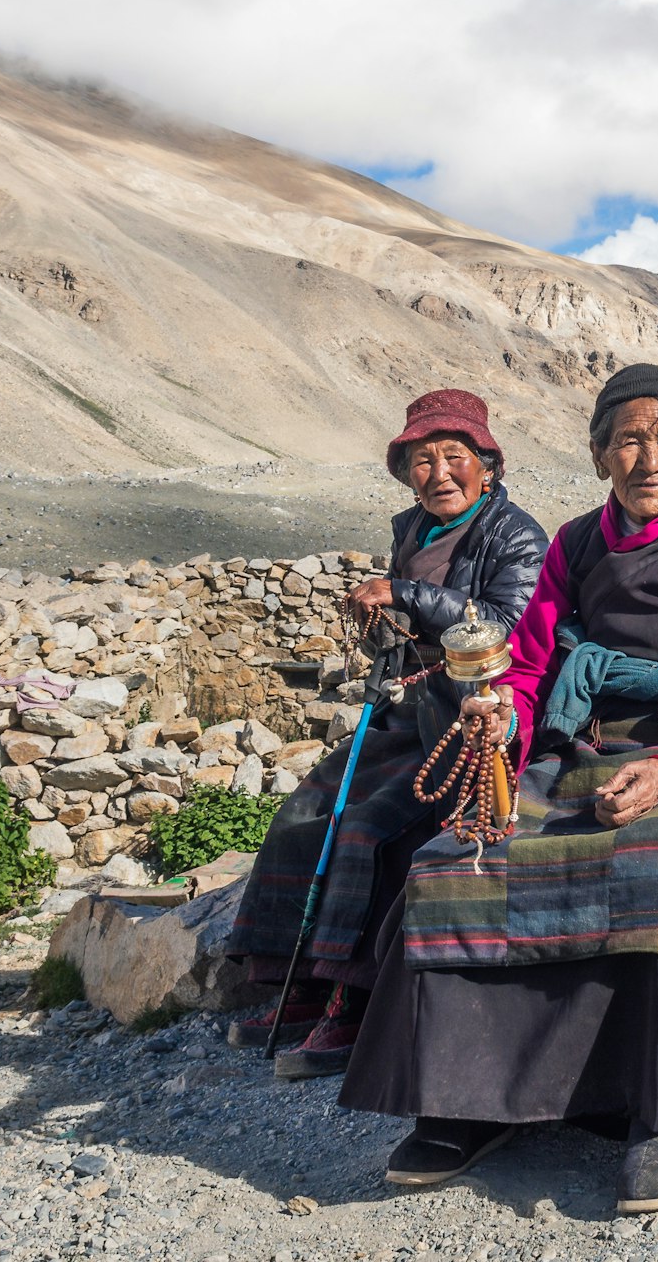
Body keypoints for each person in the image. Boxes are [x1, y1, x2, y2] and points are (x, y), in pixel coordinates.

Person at [340, 363, 658, 1213]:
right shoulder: (573, 544)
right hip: (577, 748)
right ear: (600, 454)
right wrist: (502, 714)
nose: (649, 459)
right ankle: (466, 1097)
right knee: (458, 856)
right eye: (628, 440)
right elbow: (527, 666)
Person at [224, 389, 546, 1077]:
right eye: (422, 461)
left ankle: (356, 995)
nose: (437, 474)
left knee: (372, 827)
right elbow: (408, 639)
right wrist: (383, 636)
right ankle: (295, 978)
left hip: (469, 717)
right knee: (308, 808)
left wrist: (403, 596)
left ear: (486, 464)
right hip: (409, 709)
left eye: (453, 457)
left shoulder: (516, 534)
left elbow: (503, 627)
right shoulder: (413, 532)